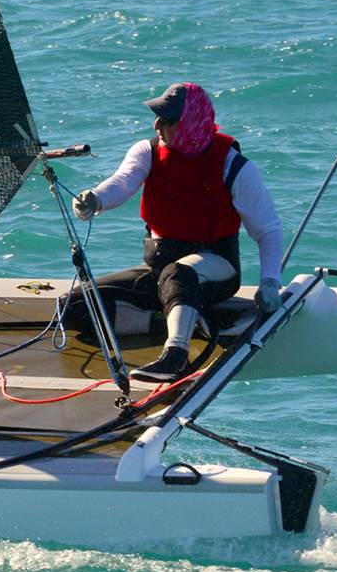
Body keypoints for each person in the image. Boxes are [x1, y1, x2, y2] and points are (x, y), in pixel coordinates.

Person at [68, 81, 284, 381]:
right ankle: (188, 320)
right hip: (160, 269)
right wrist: (96, 199)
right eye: (158, 117)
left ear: (192, 123)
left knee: (179, 275)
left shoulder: (234, 166)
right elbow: (122, 181)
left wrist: (270, 282)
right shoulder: (147, 151)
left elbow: (268, 230)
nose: (157, 125)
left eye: (167, 120)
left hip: (216, 267)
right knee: (77, 308)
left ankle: (175, 356)